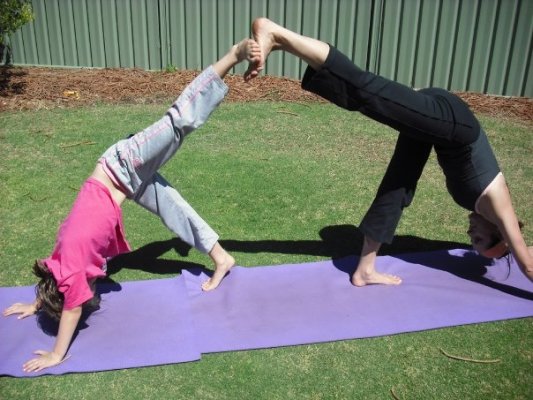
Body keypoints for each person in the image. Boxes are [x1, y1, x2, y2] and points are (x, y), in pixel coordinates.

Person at [3, 38, 262, 373]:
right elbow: (60, 284)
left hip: (124, 162)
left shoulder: (75, 268)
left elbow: (71, 307)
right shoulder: (63, 260)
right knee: (172, 208)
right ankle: (221, 257)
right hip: (125, 180)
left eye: (80, 297)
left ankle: (233, 55)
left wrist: (56, 354)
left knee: (178, 121)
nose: (87, 300)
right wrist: (36, 303)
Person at [245, 18, 533, 286]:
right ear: (502, 233)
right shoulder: (501, 209)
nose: (472, 238)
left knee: (398, 185)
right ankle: (277, 32)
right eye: (480, 240)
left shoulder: (484, 212)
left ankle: (365, 269)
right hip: (453, 120)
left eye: (474, 244)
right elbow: (528, 267)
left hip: (440, 132)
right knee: (367, 92)